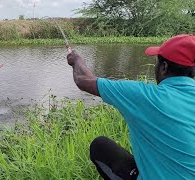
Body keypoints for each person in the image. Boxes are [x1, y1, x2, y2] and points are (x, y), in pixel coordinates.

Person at [67, 34, 195, 180]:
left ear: (164, 67)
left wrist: (76, 60)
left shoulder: (145, 96)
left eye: (157, 62)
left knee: (100, 146)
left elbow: (83, 80)